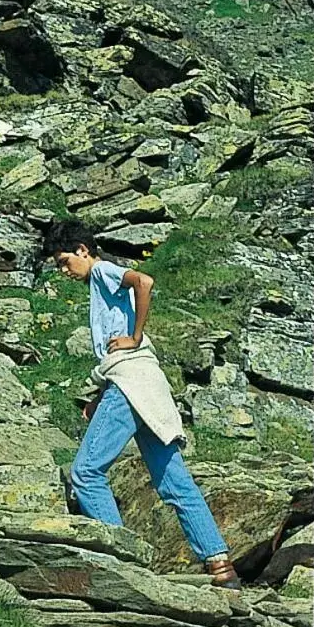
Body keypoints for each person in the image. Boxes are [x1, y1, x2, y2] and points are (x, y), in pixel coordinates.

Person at [43, 219, 240, 589]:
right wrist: (101, 394)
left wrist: (135, 337)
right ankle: (220, 563)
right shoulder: (99, 283)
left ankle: (123, 561)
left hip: (130, 381)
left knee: (85, 474)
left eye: (65, 261)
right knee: (174, 481)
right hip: (145, 385)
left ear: (83, 250)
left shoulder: (101, 271)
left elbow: (144, 281)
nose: (65, 271)